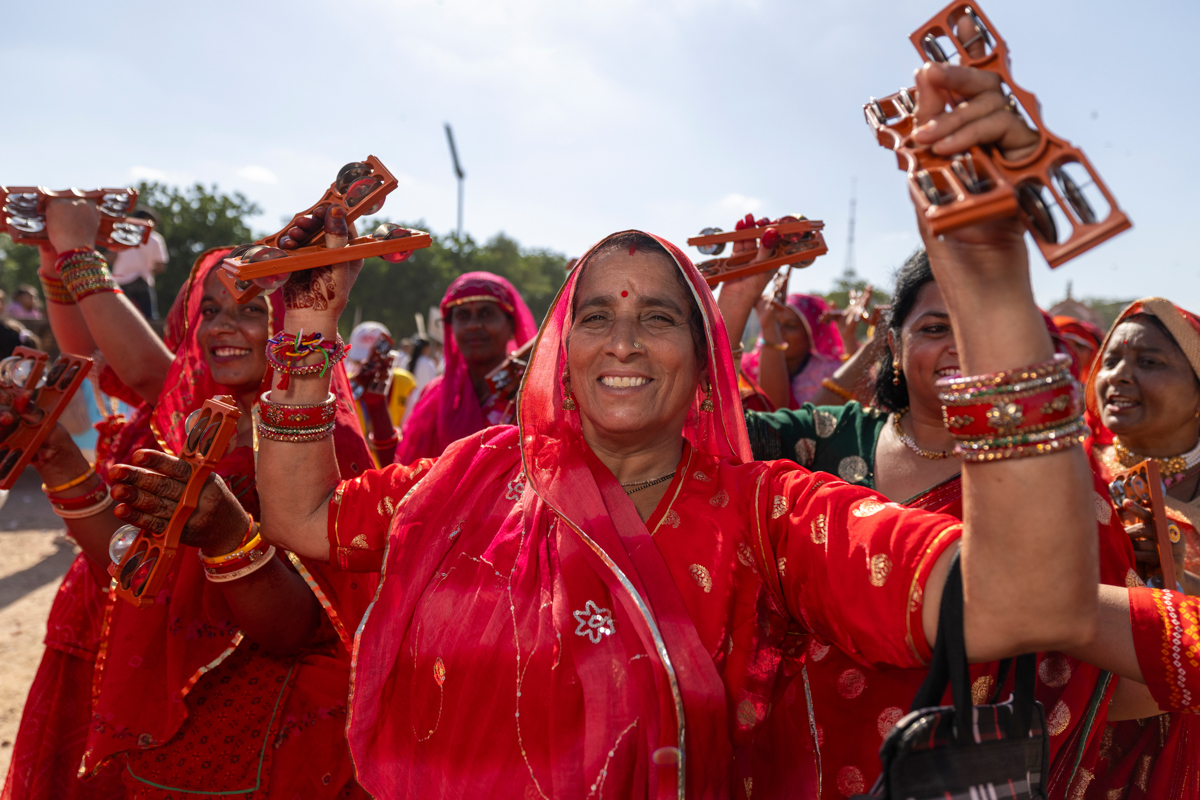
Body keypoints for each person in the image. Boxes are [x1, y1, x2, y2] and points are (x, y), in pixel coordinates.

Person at [248, 63, 1101, 796]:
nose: (622, 341)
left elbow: (1024, 598)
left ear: (704, 360)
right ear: (559, 349)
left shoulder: (767, 516)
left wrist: (989, 292)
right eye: (594, 317)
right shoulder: (475, 474)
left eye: (658, 317)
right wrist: (309, 326)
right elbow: (302, 519)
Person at [718, 249, 1143, 797]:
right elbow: (707, 440)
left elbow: (1100, 645)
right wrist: (735, 301)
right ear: (893, 344)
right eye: (936, 326)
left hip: (959, 774)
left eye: (977, 325)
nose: (960, 345)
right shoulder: (825, 437)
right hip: (799, 761)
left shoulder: (1047, 469)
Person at [3, 200, 372, 799]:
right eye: (211, 311)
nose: (223, 327)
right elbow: (138, 570)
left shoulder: (319, 438)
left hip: (272, 737)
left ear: (290, 322)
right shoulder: (192, 422)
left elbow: (301, 626)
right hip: (158, 709)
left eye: (252, 311)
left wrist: (230, 538)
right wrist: (55, 458)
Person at [395, 272, 537, 462]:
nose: (473, 325)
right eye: (463, 316)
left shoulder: (534, 396)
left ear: (511, 326)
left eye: (486, 314)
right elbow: (407, 477)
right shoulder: (435, 395)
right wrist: (377, 407)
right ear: (450, 327)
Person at [740, 290, 845, 409]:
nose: (779, 331)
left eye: (790, 326)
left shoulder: (831, 374)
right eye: (774, 323)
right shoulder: (743, 367)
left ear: (810, 333)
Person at [346, 321, 416, 465]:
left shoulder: (405, 383)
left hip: (395, 469)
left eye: (373, 362)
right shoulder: (344, 385)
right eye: (360, 362)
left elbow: (411, 436)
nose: (367, 369)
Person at [110, 207, 168, 319]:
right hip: (143, 280)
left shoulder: (122, 234)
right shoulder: (156, 239)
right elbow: (160, 267)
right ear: (147, 220)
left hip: (122, 280)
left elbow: (113, 255)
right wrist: (147, 267)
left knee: (119, 317)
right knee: (150, 319)